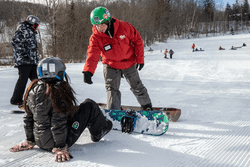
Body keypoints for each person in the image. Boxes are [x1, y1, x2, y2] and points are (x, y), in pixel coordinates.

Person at [9, 57, 112, 162]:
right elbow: (57, 122)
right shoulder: (57, 91)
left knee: (74, 110)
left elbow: (28, 118)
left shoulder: (32, 89)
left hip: (40, 142)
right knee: (89, 104)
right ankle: (100, 130)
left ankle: (41, 141)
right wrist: (60, 147)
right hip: (56, 143)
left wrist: (30, 140)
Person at [82, 7, 152, 110]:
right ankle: (114, 111)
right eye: (96, 26)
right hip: (110, 64)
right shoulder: (96, 37)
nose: (99, 28)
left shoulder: (124, 27)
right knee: (112, 89)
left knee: (136, 86)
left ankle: (147, 106)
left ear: (108, 21)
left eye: (101, 25)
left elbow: (138, 41)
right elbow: (92, 54)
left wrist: (140, 59)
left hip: (128, 62)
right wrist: (88, 71)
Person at [10, 15, 40, 106]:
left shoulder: (31, 31)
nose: (37, 27)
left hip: (32, 61)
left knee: (35, 80)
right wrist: (24, 54)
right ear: (32, 23)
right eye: (36, 25)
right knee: (23, 79)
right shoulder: (22, 30)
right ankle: (16, 99)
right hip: (24, 61)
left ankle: (36, 98)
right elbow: (15, 42)